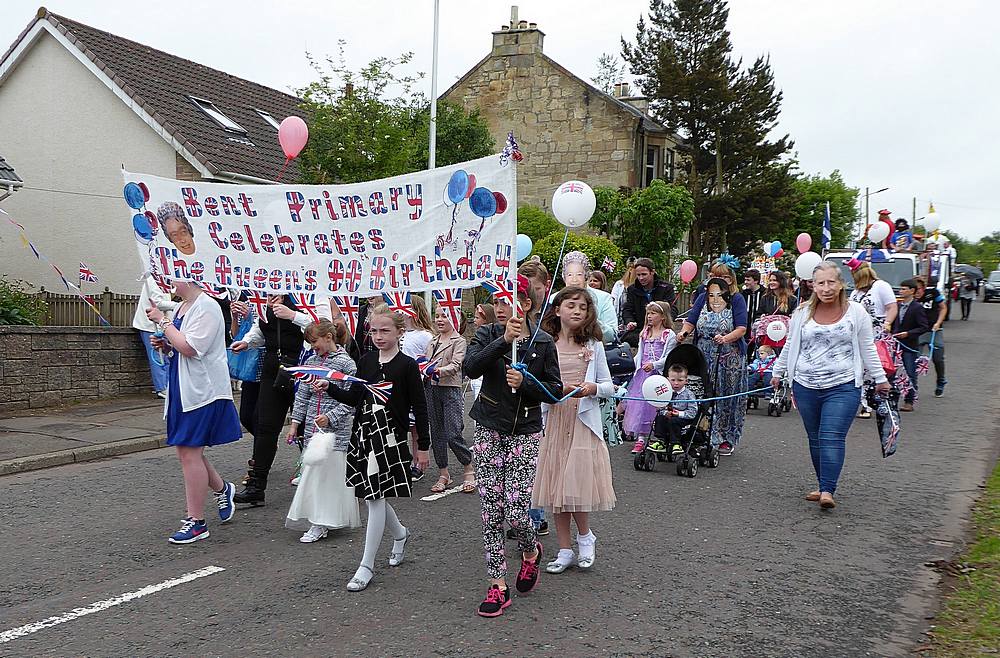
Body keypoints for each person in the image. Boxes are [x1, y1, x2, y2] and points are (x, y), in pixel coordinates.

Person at [462, 274, 562, 617]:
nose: (502, 307)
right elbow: (470, 367)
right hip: (489, 427)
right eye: (499, 301)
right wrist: (503, 341)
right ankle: (497, 585)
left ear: (527, 304)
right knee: (491, 510)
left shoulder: (544, 342)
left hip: (525, 431)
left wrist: (527, 381)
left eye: (510, 301)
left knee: (518, 510)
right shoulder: (488, 334)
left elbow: (555, 391)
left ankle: (530, 549)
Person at [323, 307, 430, 592]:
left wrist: (423, 447)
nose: (379, 336)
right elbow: (354, 397)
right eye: (374, 331)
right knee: (374, 497)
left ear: (399, 332)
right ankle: (400, 534)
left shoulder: (407, 365)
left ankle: (367, 564)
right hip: (365, 434)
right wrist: (327, 388)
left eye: (385, 331)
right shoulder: (367, 360)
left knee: (375, 498)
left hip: (391, 438)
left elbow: (420, 407)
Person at [771, 261, 890, 509]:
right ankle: (822, 483)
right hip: (805, 385)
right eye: (821, 283)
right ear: (813, 285)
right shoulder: (802, 313)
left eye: (831, 282)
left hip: (843, 385)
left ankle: (828, 489)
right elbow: (791, 344)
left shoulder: (856, 313)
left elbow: (868, 347)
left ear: (841, 284)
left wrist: (880, 378)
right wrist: (778, 371)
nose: (826, 288)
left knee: (831, 436)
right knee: (815, 438)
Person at [144, 281, 241, 543]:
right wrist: (166, 345)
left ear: (190, 277)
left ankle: (196, 521)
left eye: (173, 275)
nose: (167, 280)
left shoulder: (207, 306)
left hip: (203, 391)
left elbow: (191, 347)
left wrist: (164, 324)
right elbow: (180, 345)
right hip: (183, 388)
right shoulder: (183, 307)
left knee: (189, 451)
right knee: (187, 450)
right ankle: (222, 489)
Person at [534, 287, 616, 574]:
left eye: (583, 306)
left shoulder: (593, 345)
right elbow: (538, 385)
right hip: (555, 421)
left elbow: (609, 385)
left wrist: (592, 388)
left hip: (581, 422)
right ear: (557, 310)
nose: (577, 311)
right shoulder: (545, 344)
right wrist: (552, 391)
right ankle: (565, 548)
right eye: (571, 305)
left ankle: (585, 537)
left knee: (576, 486)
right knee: (557, 488)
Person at [230, 295, 331, 506]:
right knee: (265, 425)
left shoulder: (312, 291)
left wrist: (293, 315)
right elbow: (260, 327)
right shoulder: (266, 293)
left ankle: (319, 480)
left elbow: (325, 326)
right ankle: (256, 486)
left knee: (308, 424)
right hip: (274, 367)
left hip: (305, 365)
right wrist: (247, 342)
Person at [285, 320, 361, 542]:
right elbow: (302, 395)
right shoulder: (310, 361)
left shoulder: (347, 364)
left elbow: (351, 401)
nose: (312, 347)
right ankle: (316, 517)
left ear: (329, 336)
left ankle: (322, 522)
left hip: (335, 430)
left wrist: (331, 417)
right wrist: (295, 424)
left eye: (314, 341)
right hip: (312, 427)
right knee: (312, 474)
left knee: (330, 476)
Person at [679, 266, 749, 456]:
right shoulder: (703, 297)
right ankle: (702, 434)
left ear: (732, 280)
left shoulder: (736, 299)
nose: (719, 280)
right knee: (702, 393)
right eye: (715, 277)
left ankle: (725, 437)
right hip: (703, 353)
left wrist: (726, 338)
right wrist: (683, 333)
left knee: (725, 396)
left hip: (728, 355)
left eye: (724, 277)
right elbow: (691, 320)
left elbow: (742, 328)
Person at [424, 304, 475, 494]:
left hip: (450, 388)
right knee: (436, 432)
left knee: (453, 432)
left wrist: (436, 370)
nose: (439, 319)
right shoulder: (432, 341)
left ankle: (468, 466)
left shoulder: (459, 341)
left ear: (454, 318)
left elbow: (455, 365)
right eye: (437, 316)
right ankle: (443, 473)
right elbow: (425, 362)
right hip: (431, 388)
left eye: (444, 316)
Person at [623, 301, 676, 452]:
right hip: (643, 375)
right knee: (640, 405)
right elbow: (640, 353)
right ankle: (640, 438)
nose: (649, 316)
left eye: (653, 313)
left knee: (654, 406)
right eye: (648, 313)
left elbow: (668, 356)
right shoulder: (645, 333)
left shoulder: (668, 335)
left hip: (657, 375)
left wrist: (655, 365)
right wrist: (635, 365)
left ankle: (656, 436)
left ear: (663, 317)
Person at [400, 295, 434, 482]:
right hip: (398, 387)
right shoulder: (399, 333)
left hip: (416, 385)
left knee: (415, 428)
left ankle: (417, 463)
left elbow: (428, 361)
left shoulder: (425, 336)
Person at [132, 274, 177, 399]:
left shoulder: (163, 280)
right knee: (157, 356)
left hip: (162, 324)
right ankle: (162, 388)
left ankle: (168, 386)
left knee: (167, 356)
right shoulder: (153, 280)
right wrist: (177, 305)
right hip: (150, 325)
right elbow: (157, 302)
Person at [558, 251, 617, 342]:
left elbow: (611, 336)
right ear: (563, 276)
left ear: (586, 276)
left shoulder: (604, 298)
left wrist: (590, 319)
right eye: (569, 275)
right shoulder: (553, 298)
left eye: (579, 274)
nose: (574, 280)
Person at [620, 258, 677, 347]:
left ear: (652, 272)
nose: (641, 278)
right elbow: (627, 309)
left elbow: (672, 309)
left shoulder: (666, 288)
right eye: (638, 275)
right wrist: (630, 321)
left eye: (644, 274)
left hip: (661, 329)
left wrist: (663, 324)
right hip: (639, 330)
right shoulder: (632, 289)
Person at [892, 279, 929, 412]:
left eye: (904, 289)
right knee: (893, 372)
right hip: (895, 345)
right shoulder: (897, 305)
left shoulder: (917, 308)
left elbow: (924, 326)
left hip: (910, 345)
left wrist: (908, 333)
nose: (901, 291)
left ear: (912, 291)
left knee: (910, 372)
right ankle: (893, 398)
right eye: (900, 289)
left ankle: (909, 401)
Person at [649, 363, 697, 456]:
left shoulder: (689, 395)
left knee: (674, 421)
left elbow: (692, 412)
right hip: (668, 416)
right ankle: (661, 441)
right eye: (673, 380)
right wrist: (665, 412)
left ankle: (676, 443)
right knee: (660, 417)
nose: (676, 383)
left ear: (686, 381)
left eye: (680, 380)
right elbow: (660, 407)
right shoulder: (665, 393)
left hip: (683, 418)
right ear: (667, 380)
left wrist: (679, 413)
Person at [915, 276, 948, 397]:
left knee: (938, 358)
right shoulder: (910, 298)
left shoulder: (933, 293)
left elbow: (943, 307)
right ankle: (913, 386)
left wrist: (938, 322)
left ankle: (941, 380)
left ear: (923, 288)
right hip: (918, 331)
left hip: (934, 330)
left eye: (918, 289)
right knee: (914, 360)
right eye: (914, 289)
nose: (916, 292)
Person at [848, 261, 898, 333]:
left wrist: (888, 323)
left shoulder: (881, 286)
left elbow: (892, 307)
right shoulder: (855, 292)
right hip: (859, 330)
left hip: (878, 330)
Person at [469, 303, 495, 401]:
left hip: (483, 378)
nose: (474, 320)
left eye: (477, 318)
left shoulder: (491, 336)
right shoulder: (478, 336)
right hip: (475, 378)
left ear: (486, 319)